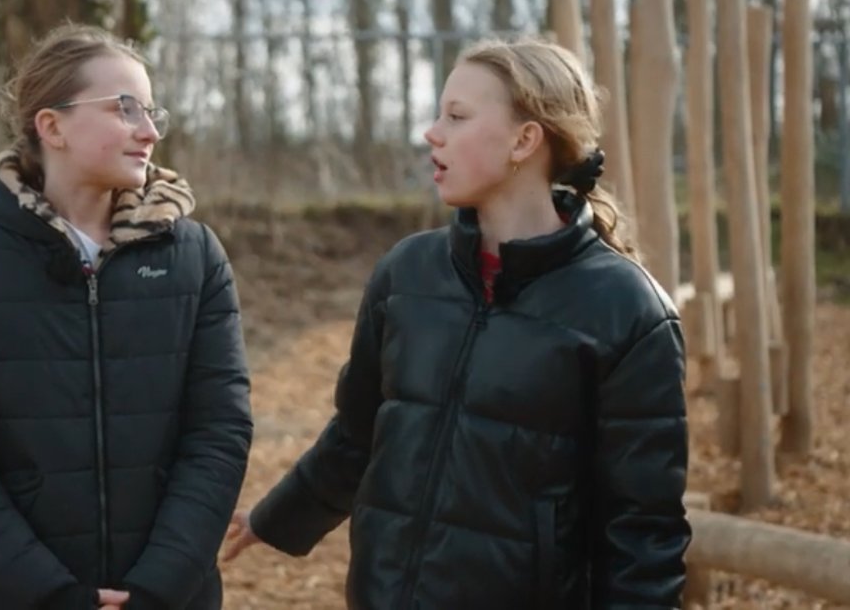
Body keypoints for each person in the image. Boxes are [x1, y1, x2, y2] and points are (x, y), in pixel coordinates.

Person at [223, 36, 691, 609]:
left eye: (457, 116)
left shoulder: (629, 311)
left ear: (525, 140)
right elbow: (359, 434)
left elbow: (643, 533)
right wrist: (277, 517)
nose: (432, 132)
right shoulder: (406, 273)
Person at [0, 22, 253, 610]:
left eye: (151, 113)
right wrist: (51, 596)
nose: (148, 132)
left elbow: (219, 433)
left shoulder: (196, 258)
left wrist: (158, 588)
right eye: (125, 109)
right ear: (52, 125)